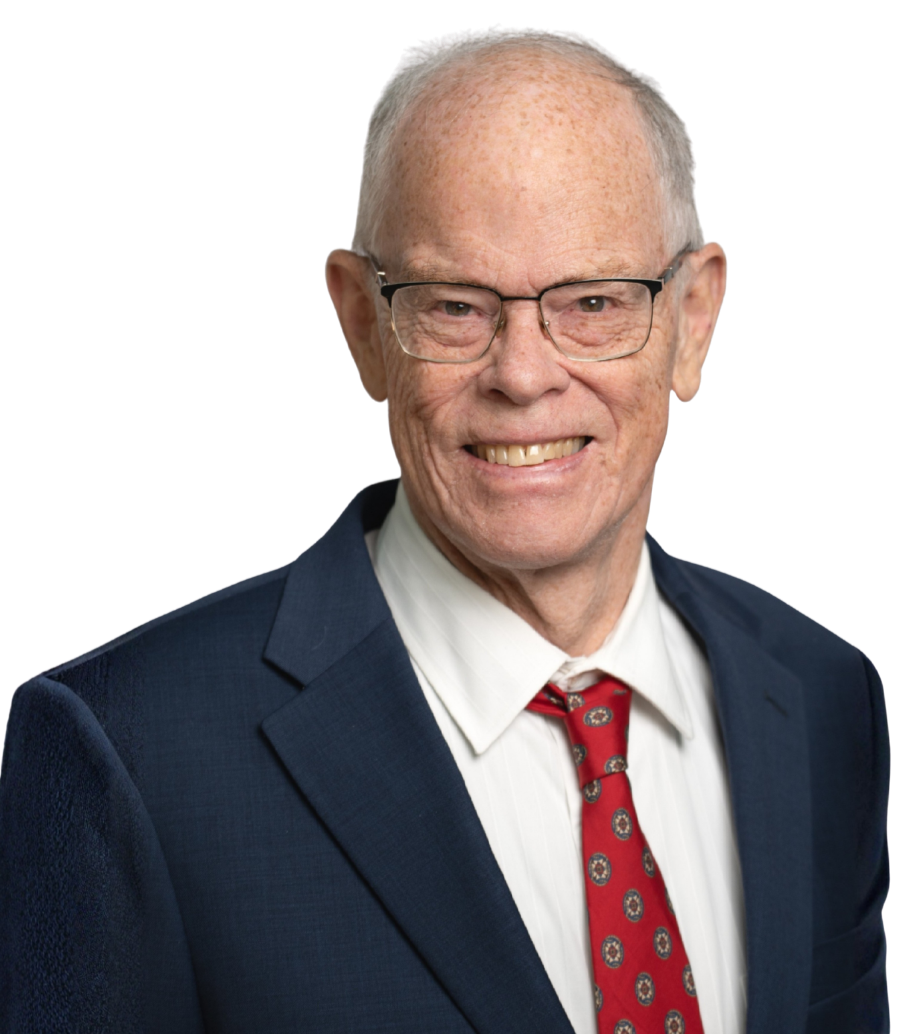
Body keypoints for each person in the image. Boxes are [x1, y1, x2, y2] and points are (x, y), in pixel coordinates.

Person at [0, 26, 890, 1034]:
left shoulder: (829, 696)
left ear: (694, 323)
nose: (524, 374)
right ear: (360, 326)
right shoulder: (127, 749)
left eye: (594, 302)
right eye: (456, 307)